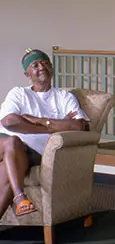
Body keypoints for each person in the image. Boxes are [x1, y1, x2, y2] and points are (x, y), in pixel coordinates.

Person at [0, 48, 89, 217]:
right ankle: (20, 197)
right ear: (27, 74)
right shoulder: (19, 93)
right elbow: (9, 121)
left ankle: (20, 199)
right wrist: (56, 125)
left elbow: (78, 125)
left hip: (31, 152)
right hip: (3, 141)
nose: (41, 67)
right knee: (12, 142)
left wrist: (38, 120)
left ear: (52, 68)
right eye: (35, 65)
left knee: (8, 167)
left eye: (45, 63)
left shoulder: (64, 97)